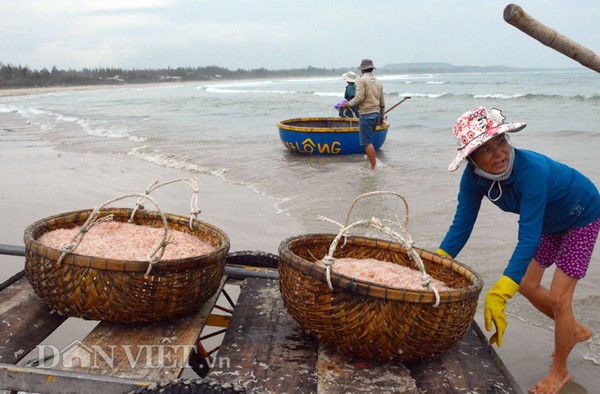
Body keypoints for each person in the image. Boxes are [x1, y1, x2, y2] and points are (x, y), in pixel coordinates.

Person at [436, 106, 600, 394]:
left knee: (561, 297)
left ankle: (560, 371)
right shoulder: (474, 179)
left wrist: (501, 291)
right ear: (471, 158)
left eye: (500, 141)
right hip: (549, 221)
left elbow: (528, 238)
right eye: (485, 149)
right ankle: (572, 330)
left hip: (581, 213)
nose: (498, 153)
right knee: (526, 283)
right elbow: (461, 226)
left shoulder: (531, 171)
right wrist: (433, 264)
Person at [342, 59, 385, 169]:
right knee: (370, 140)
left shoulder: (361, 80)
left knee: (367, 143)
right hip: (376, 114)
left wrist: (348, 104)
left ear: (362, 69)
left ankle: (373, 167)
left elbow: (359, 98)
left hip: (366, 114)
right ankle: (371, 160)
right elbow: (382, 102)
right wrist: (382, 117)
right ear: (371, 69)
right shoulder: (378, 81)